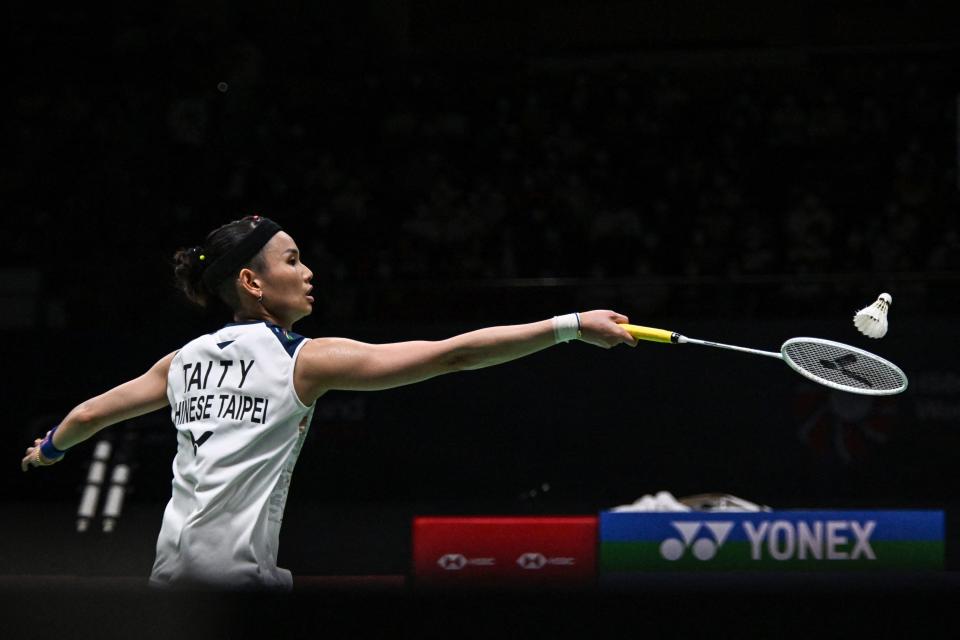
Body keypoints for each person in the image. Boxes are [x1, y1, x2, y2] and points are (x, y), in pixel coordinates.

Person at [21, 215, 637, 590]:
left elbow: (88, 415)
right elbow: (452, 353)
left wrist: (47, 452)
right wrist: (570, 323)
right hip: (240, 591)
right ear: (252, 282)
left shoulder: (182, 362)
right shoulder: (302, 360)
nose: (309, 271)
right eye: (293, 260)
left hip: (170, 588)